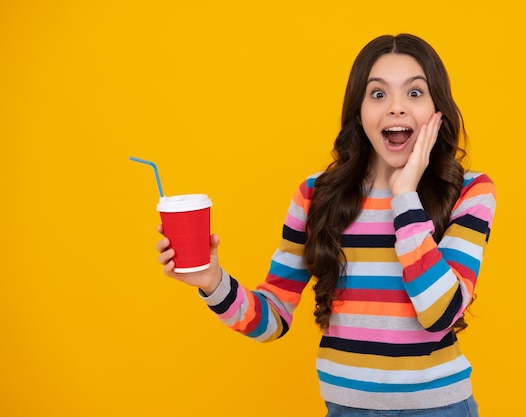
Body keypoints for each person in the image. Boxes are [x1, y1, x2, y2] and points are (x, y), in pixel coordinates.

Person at [156, 33, 496, 416]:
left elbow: (440, 313)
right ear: (358, 111)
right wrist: (212, 282)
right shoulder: (316, 195)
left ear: (438, 109)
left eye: (415, 93)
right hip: (345, 408)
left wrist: (405, 196)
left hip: (440, 409)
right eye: (378, 94)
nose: (396, 108)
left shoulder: (470, 191)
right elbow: (272, 320)